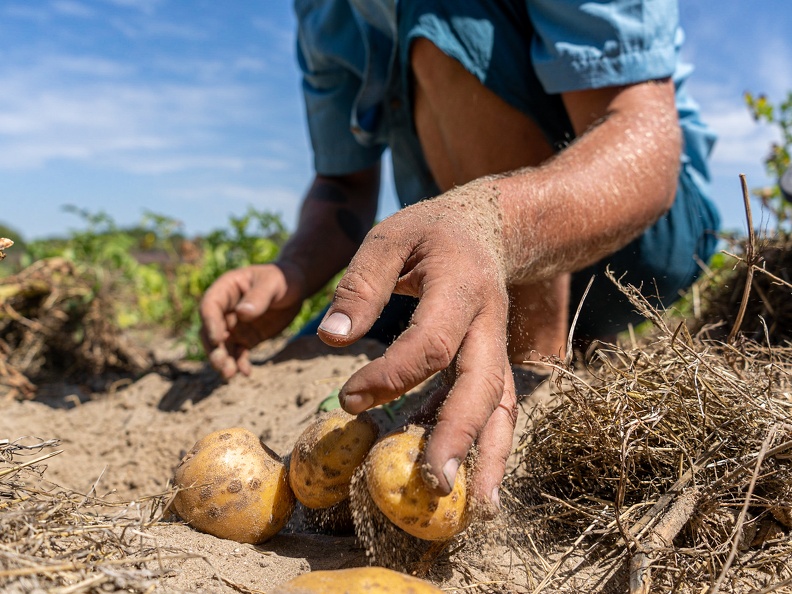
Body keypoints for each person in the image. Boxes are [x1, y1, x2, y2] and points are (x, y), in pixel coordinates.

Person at [200, 0, 720, 513]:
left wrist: (488, 224)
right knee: (313, 347)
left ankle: (529, 368)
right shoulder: (322, 10)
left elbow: (643, 136)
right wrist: (292, 269)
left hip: (635, 238)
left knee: (444, 8)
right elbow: (344, 181)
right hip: (457, 257)